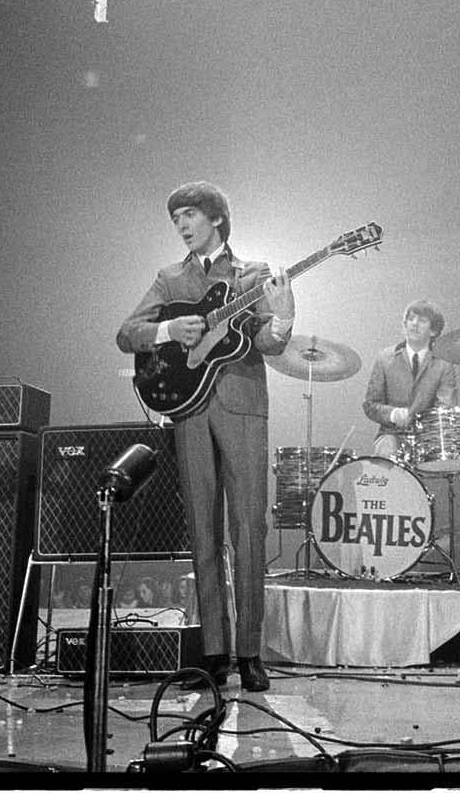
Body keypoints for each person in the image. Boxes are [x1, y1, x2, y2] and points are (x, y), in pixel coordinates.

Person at [117, 182, 293, 692]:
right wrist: (170, 333)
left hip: (242, 406)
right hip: (188, 410)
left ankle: (250, 653)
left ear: (216, 218)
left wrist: (282, 314)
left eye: (190, 215)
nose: (182, 225)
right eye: (176, 219)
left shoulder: (253, 274)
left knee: (248, 530)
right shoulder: (168, 277)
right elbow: (127, 332)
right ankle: (214, 653)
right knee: (202, 531)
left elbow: (267, 342)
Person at [361, 300, 460, 569]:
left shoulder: (444, 365)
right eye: (410, 318)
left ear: (434, 331)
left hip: (429, 436)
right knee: (386, 454)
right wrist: (394, 414)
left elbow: (446, 405)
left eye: (421, 320)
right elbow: (370, 405)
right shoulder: (385, 358)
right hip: (392, 433)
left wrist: (424, 421)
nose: (413, 323)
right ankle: (385, 544)